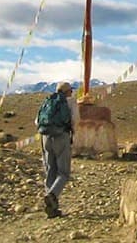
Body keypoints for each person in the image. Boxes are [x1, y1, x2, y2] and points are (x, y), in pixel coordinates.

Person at [36, 81, 79, 217]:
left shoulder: (48, 101)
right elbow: (75, 120)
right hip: (61, 136)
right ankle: (52, 195)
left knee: (50, 170)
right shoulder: (70, 102)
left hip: (45, 138)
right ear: (67, 92)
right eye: (70, 91)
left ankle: (52, 208)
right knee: (63, 173)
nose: (71, 93)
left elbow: (37, 121)